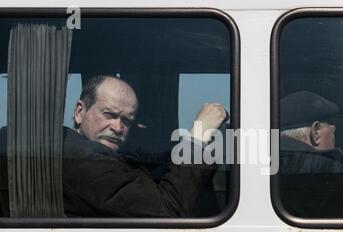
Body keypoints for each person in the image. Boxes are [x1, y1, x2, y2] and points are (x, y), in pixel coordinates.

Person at [0, 75, 227, 218]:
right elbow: (167, 210)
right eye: (109, 114)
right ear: (80, 112)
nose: (117, 127)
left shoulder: (71, 147)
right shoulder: (84, 159)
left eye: (126, 120)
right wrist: (199, 135)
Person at [279, 90, 343, 219]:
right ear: (316, 132)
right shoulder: (327, 167)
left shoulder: (261, 162)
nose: (335, 140)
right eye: (333, 132)